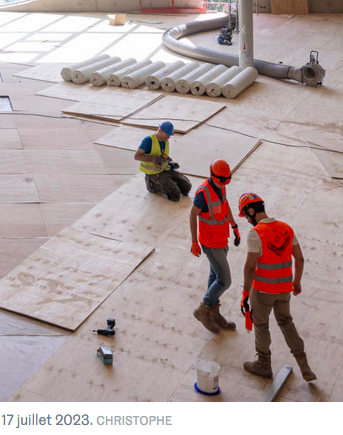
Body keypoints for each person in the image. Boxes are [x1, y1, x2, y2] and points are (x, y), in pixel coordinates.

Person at [238, 192, 316, 382]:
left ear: (250, 211)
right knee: (286, 322)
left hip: (263, 291)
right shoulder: (286, 228)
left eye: (246, 216)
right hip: (284, 290)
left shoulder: (255, 233)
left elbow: (250, 266)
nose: (248, 221)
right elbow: (300, 257)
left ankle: (264, 364)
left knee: (261, 324)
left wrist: (245, 292)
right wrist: (296, 281)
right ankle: (304, 365)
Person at [189, 159, 240, 332]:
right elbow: (192, 215)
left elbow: (225, 206)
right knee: (225, 280)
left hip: (221, 239)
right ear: (212, 175)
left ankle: (214, 313)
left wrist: (234, 226)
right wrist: (194, 241)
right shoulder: (202, 193)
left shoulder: (221, 185)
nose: (223, 183)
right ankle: (203, 310)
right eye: (220, 180)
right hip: (210, 242)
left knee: (215, 275)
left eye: (226, 180)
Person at [133, 121, 192, 202]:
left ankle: (169, 183)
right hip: (153, 173)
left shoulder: (165, 141)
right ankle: (152, 184)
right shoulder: (149, 140)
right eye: (167, 134)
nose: (168, 137)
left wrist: (171, 162)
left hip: (165, 169)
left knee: (186, 187)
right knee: (175, 195)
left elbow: (163, 155)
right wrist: (155, 159)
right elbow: (137, 156)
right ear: (160, 130)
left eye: (169, 135)